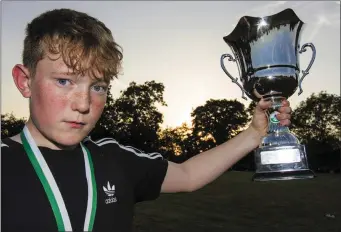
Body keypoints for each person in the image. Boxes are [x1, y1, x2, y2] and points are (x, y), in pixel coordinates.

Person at [1, 8, 292, 232]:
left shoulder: (113, 158)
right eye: (64, 81)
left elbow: (188, 176)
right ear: (25, 82)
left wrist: (254, 134)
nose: (83, 104)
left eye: (98, 87)